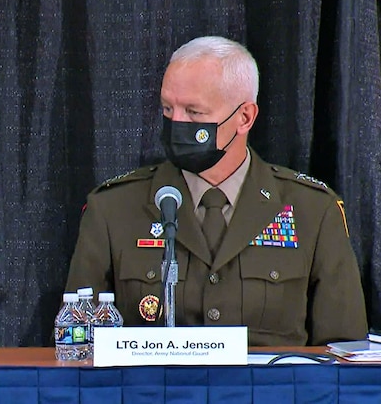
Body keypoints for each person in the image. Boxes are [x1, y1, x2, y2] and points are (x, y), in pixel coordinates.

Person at [66, 36, 367, 346]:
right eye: (168, 109)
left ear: (244, 117)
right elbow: (73, 343)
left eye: (194, 112)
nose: (176, 123)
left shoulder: (313, 211)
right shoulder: (114, 208)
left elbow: (345, 354)